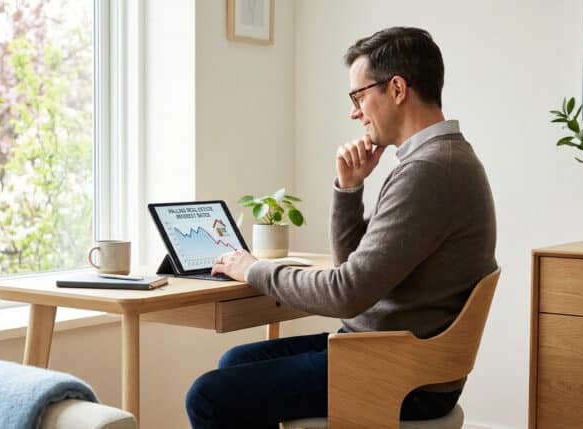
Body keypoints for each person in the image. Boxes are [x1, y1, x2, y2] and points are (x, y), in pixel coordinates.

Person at [185, 27, 497, 429]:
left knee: (208, 396)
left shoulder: (430, 171)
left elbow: (346, 293)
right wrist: (350, 189)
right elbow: (356, 270)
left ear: (397, 89)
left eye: (358, 96)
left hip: (402, 374)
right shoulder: (442, 160)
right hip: (389, 353)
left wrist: (253, 269)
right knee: (235, 362)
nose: (355, 112)